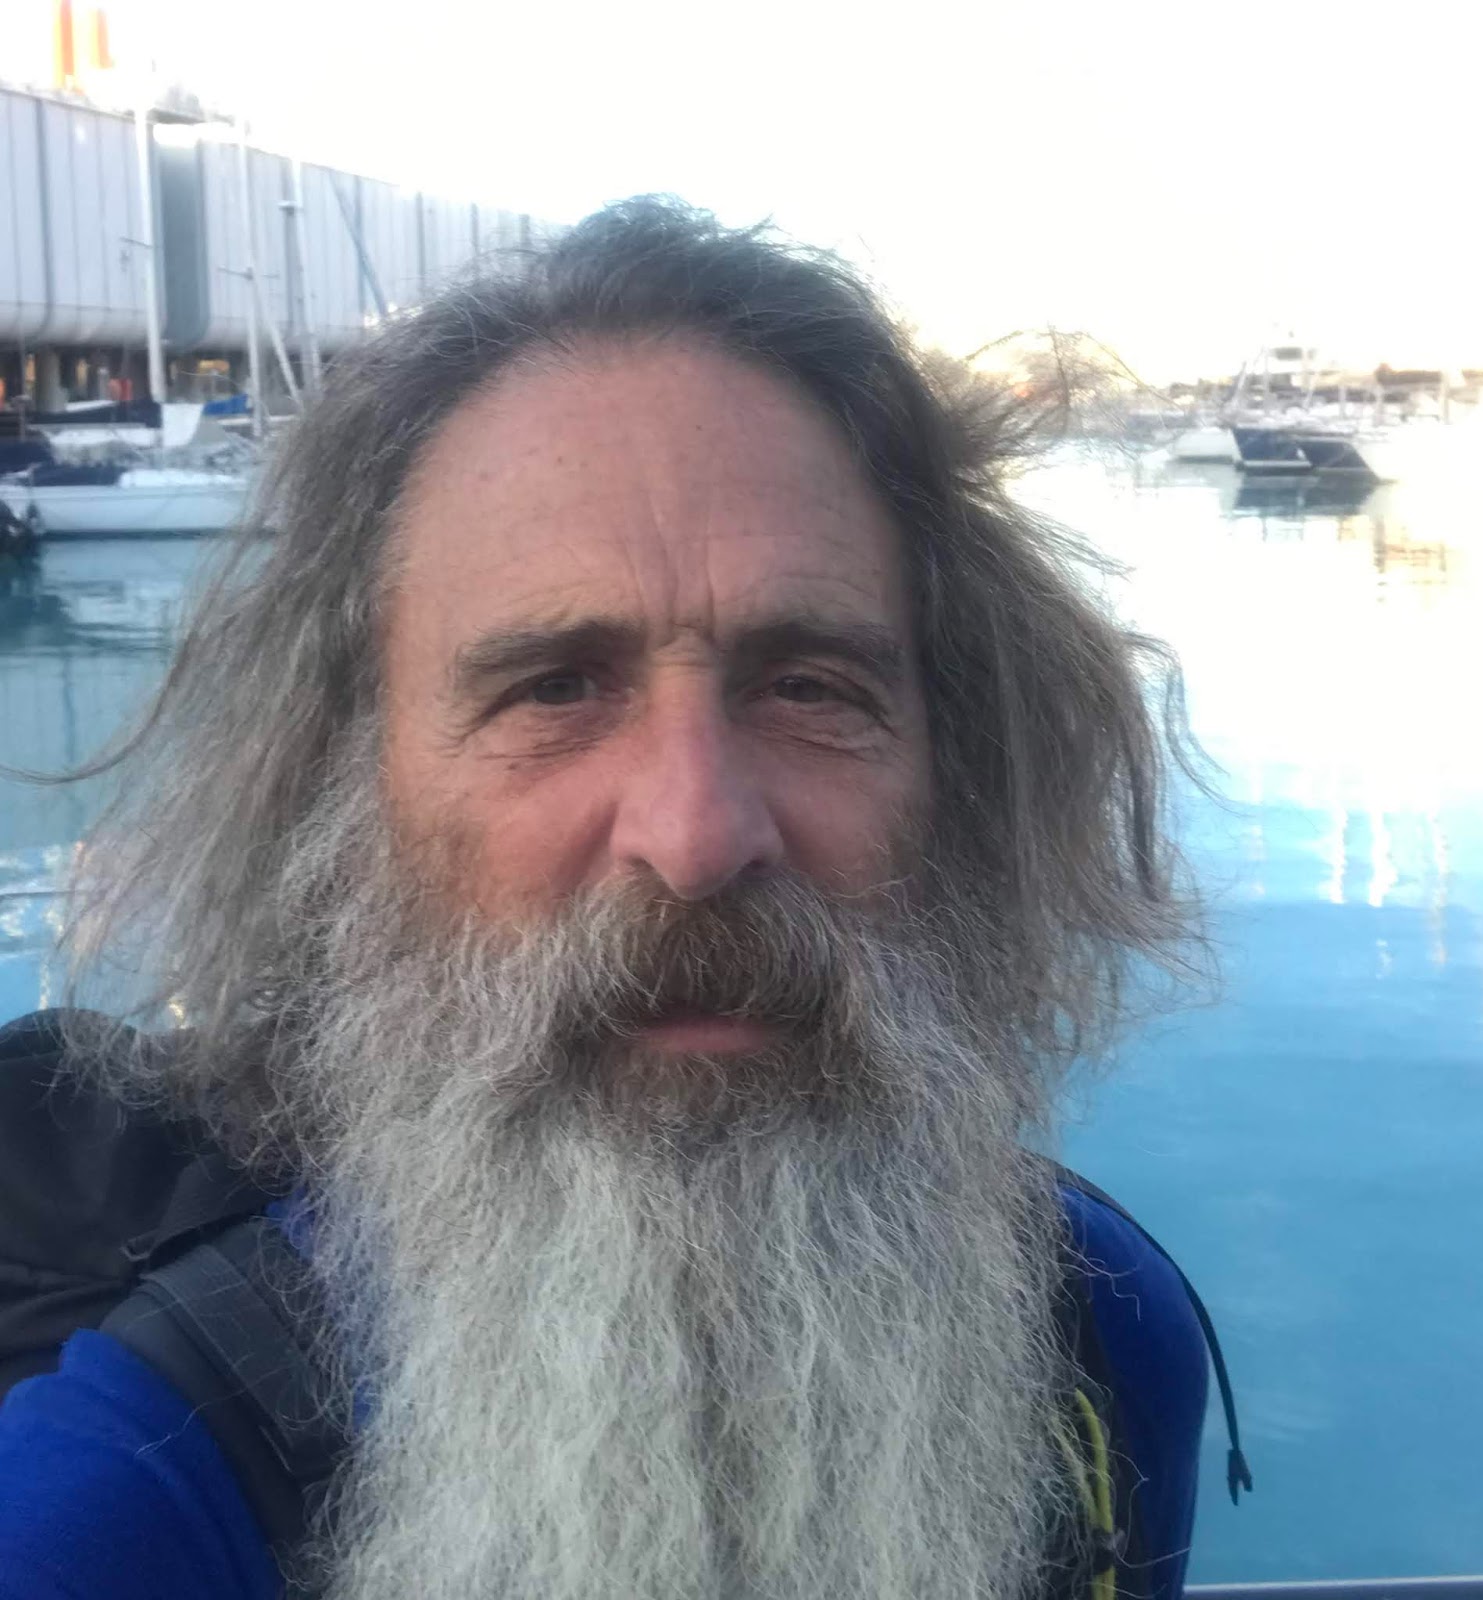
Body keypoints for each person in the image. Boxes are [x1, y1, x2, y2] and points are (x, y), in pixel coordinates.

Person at [0, 197, 1222, 1600]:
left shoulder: (1100, 1346)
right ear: (349, 797)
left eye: (810, 687)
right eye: (553, 690)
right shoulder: (125, 1501)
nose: (697, 837)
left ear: (960, 774)